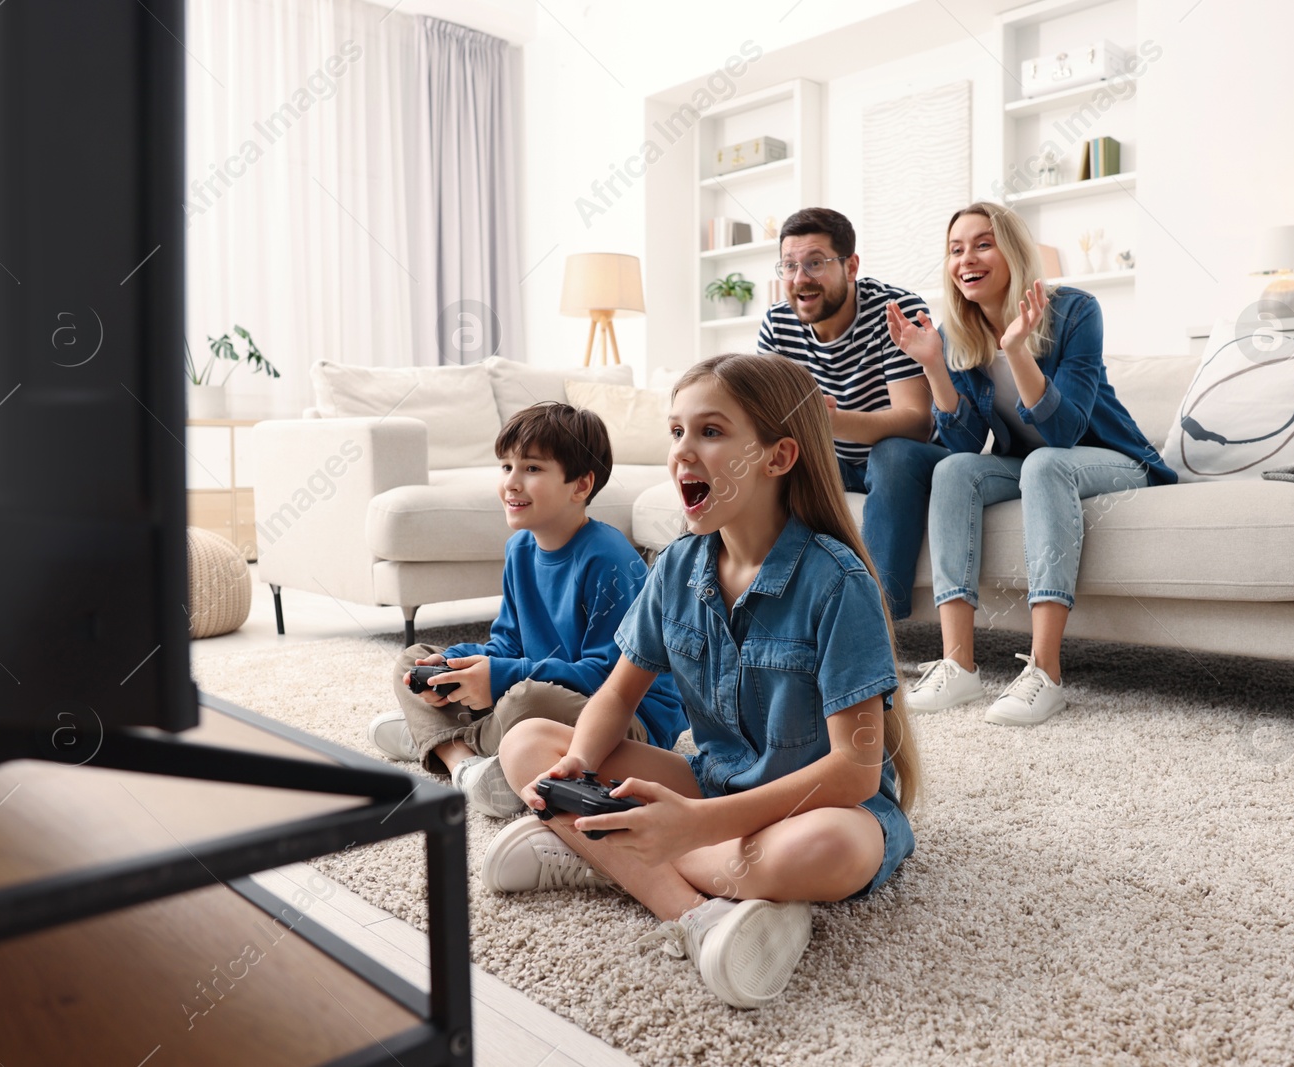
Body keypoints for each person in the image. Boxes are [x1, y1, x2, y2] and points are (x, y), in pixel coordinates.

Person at [481, 354, 921, 1009]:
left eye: (710, 431)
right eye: (676, 431)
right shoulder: (677, 567)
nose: (683, 451)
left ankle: (601, 849)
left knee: (834, 847)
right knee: (525, 744)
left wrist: (690, 825)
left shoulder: (838, 583)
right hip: (712, 788)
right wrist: (579, 766)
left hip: (818, 809)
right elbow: (616, 696)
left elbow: (856, 772)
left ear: (778, 457)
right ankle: (695, 912)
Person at [889, 201, 1176, 724]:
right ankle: (959, 665)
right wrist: (933, 365)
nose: (966, 259)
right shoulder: (961, 331)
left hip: (1115, 460)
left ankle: (1045, 672)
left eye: (982, 244)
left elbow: (1063, 433)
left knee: (1045, 462)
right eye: (956, 249)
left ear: (1012, 251)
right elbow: (963, 444)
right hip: (1026, 464)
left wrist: (1018, 350)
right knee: (951, 471)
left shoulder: (1075, 311)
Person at [367, 402, 686, 817]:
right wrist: (457, 663)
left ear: (580, 485)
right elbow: (508, 642)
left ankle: (441, 737)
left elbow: (611, 680)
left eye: (532, 469)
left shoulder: (608, 559)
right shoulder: (519, 549)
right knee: (412, 663)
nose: (511, 483)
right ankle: (464, 762)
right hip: (546, 694)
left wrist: (501, 677)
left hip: (626, 720)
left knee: (522, 701)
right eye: (505, 467)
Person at [756, 207, 948, 621]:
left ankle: (874, 617)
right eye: (789, 266)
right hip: (829, 459)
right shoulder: (776, 323)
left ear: (851, 266)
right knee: (760, 464)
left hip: (907, 460)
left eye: (815, 263)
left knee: (892, 455)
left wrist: (831, 422)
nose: (800, 278)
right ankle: (764, 608)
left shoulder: (894, 311)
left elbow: (917, 421)